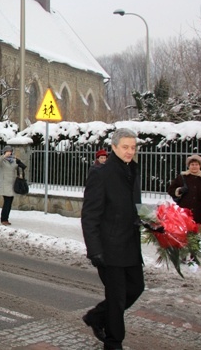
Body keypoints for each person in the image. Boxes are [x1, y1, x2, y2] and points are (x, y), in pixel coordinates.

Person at [81, 128, 144, 350]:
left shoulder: (133, 171)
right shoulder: (102, 173)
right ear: (114, 147)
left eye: (133, 148)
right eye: (125, 147)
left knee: (136, 288)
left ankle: (97, 316)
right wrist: (94, 249)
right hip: (109, 247)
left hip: (130, 245)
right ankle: (113, 342)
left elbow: (136, 205)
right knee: (117, 298)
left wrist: (152, 221)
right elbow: (89, 215)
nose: (130, 152)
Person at [167, 154, 201, 232]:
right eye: (192, 164)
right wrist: (179, 190)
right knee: (184, 235)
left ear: (200, 166)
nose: (194, 166)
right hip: (184, 212)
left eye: (196, 164)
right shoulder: (182, 177)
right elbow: (170, 190)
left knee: (197, 236)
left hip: (200, 213)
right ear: (188, 166)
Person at [0, 145, 26, 226]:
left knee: (9, 203)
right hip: (5, 185)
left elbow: (22, 167)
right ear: (4, 152)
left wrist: (19, 161)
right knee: (7, 202)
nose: (9, 153)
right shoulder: (2, 160)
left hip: (12, 185)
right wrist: (4, 156)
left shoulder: (14, 160)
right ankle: (3, 219)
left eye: (10, 151)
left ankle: (6, 218)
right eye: (7, 151)